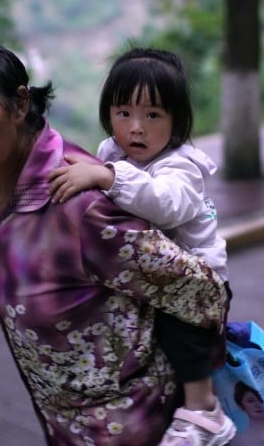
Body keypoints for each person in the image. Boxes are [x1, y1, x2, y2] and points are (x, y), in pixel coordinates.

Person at [0, 31, 229, 445]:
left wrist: (198, 386)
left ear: (20, 104)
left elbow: (203, 291)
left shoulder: (78, 205)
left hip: (133, 431)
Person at [47, 47, 237, 446]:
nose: (136, 128)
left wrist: (107, 177)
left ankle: (205, 410)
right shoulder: (111, 153)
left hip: (196, 280)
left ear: (176, 121)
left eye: (153, 115)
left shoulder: (181, 166)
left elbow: (164, 204)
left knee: (180, 332)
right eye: (124, 113)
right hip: (152, 274)